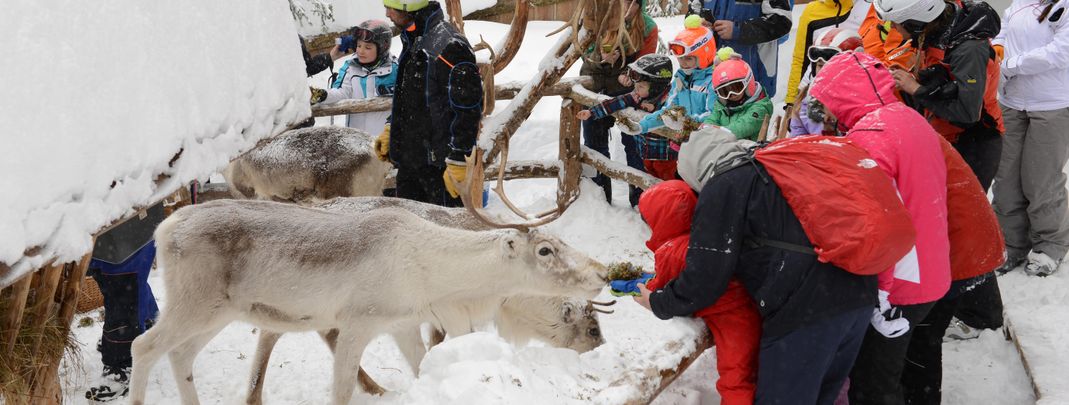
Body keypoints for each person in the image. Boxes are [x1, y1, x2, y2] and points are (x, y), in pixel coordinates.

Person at [634, 127, 877, 404]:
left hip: (808, 309)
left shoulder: (724, 186)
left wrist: (659, 302)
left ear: (695, 170)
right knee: (823, 395)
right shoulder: (770, 166)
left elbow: (705, 278)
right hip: (857, 288)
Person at [809, 51, 951, 405]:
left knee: (874, 385)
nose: (826, 113)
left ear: (844, 95)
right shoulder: (909, 118)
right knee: (914, 368)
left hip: (899, 285)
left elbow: (878, 223)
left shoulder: (871, 136)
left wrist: (881, 294)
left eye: (828, 102)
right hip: (932, 270)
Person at [876, 0, 1009, 341]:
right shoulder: (939, 32)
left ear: (921, 20)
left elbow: (966, 109)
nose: (895, 33)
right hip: (950, 138)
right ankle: (970, 306)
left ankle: (983, 315)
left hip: (976, 140)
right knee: (951, 223)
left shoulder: (968, 46)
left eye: (900, 25)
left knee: (965, 224)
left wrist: (916, 89)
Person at [636, 179, 762, 405]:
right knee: (748, 368)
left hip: (733, 320)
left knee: (737, 377)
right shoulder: (705, 238)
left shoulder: (671, 250)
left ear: (662, 220)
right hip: (750, 305)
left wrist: (645, 291)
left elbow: (664, 289)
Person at [991, 0, 1069, 277]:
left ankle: (1049, 246)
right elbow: (1003, 29)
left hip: (1052, 104)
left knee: (1041, 180)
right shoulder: (1020, 3)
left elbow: (1060, 52)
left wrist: (1010, 65)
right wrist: (998, 46)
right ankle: (1010, 242)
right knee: (1006, 177)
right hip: (1012, 101)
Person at [380, 0, 483, 207]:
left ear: (409, 5)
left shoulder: (450, 45)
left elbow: (468, 110)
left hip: (440, 172)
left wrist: (458, 159)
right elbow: (409, 96)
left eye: (391, 7)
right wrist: (393, 127)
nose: (388, 14)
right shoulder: (415, 40)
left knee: (445, 235)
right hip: (412, 167)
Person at [580, 0, 659, 205]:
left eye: (632, 3)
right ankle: (599, 198)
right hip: (595, 85)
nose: (626, 6)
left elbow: (646, 63)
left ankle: (640, 199)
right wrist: (600, 56)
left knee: (634, 144)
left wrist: (628, 73)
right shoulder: (597, 18)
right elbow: (582, 48)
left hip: (628, 90)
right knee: (595, 145)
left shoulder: (647, 27)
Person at [84, 204, 163, 402]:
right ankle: (151, 322)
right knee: (122, 283)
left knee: (123, 293)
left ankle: (120, 366)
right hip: (108, 225)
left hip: (127, 227)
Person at [578, 54, 678, 181]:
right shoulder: (638, 95)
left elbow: (677, 117)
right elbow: (616, 102)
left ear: (656, 87)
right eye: (635, 86)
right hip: (644, 154)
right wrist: (592, 112)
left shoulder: (671, 99)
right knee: (644, 182)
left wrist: (656, 109)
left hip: (665, 156)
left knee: (666, 185)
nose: (635, 90)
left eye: (640, 86)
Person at [624, 15, 716, 139]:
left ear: (705, 55)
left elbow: (712, 116)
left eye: (689, 58)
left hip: (706, 144)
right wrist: (642, 126)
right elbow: (668, 111)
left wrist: (685, 121)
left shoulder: (713, 82)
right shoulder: (680, 78)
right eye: (680, 58)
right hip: (684, 145)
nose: (683, 63)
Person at [317, 19, 397, 136]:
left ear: (383, 48)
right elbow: (342, 92)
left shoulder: (395, 70)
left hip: (384, 141)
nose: (361, 51)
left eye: (368, 47)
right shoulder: (350, 67)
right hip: (357, 140)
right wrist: (323, 95)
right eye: (359, 45)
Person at [784, 0, 870, 106]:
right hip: (817, 94)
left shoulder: (869, 8)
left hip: (856, 95)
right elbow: (801, 60)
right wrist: (791, 101)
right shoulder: (812, 11)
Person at [698, 0, 793, 97]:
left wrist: (739, 30)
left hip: (754, 78)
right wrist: (700, 23)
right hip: (710, 78)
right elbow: (694, 10)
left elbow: (782, 21)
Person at [789, 28, 865, 137]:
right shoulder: (805, 102)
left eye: (830, 66)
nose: (823, 72)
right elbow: (796, 143)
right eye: (820, 65)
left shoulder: (864, 103)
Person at [705, 57, 773, 141]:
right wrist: (706, 130)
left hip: (750, 150)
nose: (732, 94)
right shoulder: (721, 106)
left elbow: (744, 126)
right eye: (725, 91)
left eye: (736, 88)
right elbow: (711, 120)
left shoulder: (761, 107)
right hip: (724, 147)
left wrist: (719, 133)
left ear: (748, 83)